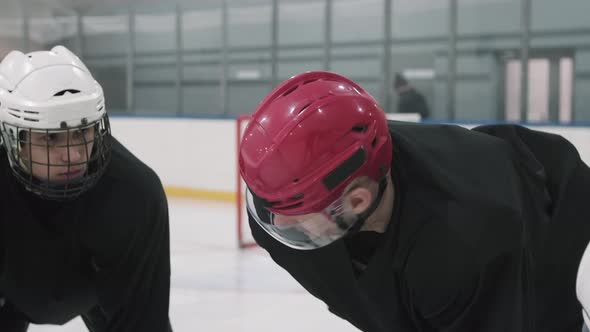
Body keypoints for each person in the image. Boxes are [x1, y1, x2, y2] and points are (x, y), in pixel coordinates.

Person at [239, 71, 590, 332]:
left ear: (358, 201)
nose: (279, 224)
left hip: (559, 238)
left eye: (299, 217)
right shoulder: (277, 203)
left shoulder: (462, 246)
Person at [0, 45, 172, 331]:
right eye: (51, 138)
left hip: (95, 287)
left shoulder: (134, 194)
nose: (74, 154)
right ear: (13, 140)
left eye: (81, 131)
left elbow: (144, 321)